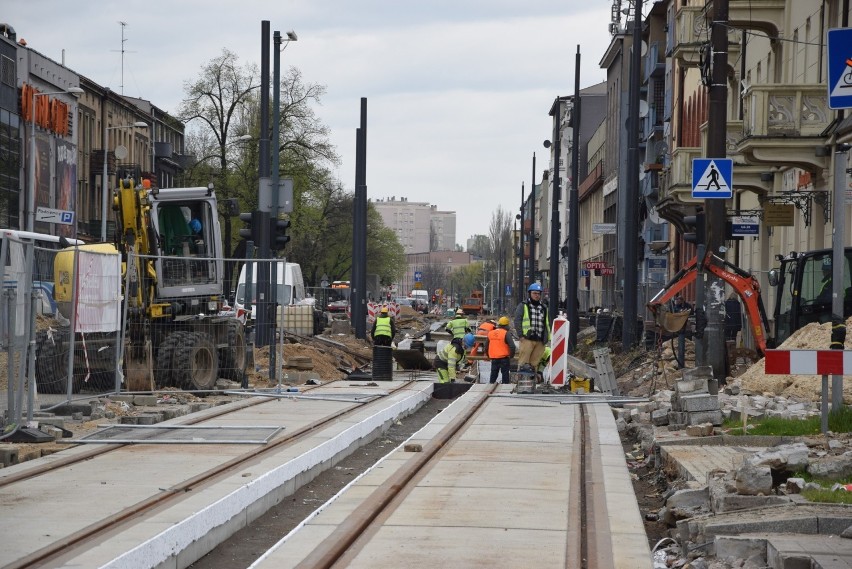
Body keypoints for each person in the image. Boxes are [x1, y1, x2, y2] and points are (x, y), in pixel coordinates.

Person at [513, 283, 550, 372]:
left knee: (535, 363)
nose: (537, 295)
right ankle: (522, 381)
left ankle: (532, 382)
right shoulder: (523, 305)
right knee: (523, 362)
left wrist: (546, 338)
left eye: (538, 293)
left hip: (540, 340)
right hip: (527, 339)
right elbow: (517, 320)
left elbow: (546, 323)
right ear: (530, 293)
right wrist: (521, 335)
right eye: (534, 293)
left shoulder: (543, 307)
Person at [486, 316, 516, 384]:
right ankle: (505, 390)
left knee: (493, 376)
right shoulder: (506, 333)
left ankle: (490, 387)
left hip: (494, 358)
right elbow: (512, 346)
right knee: (505, 377)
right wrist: (511, 356)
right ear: (506, 325)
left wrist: (488, 356)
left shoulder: (490, 333)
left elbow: (486, 347)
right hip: (504, 359)